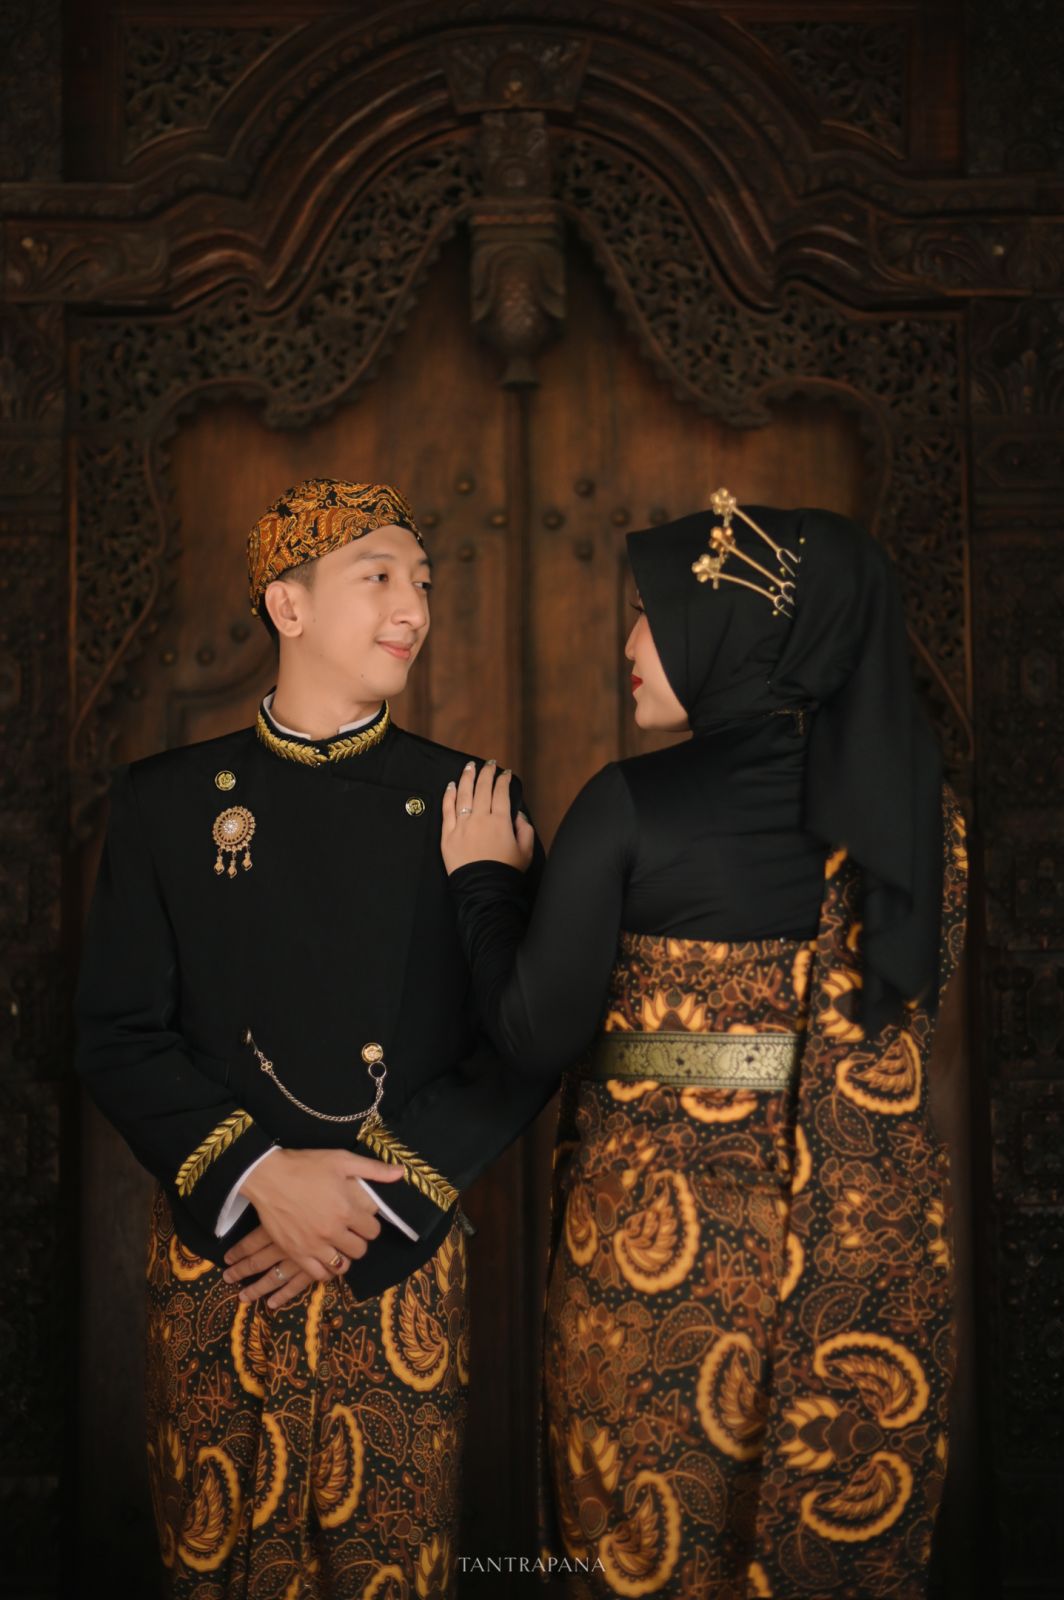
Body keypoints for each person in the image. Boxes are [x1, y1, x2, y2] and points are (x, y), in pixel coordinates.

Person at [440, 489, 968, 1598]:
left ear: (730, 630)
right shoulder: (921, 822)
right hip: (853, 1265)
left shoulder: (634, 804)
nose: (630, 645)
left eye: (651, 614)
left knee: (644, 1555)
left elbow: (533, 1033)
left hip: (653, 1266)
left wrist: (485, 882)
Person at [74, 478, 553, 1598]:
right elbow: (116, 1033)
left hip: (396, 1258)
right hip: (224, 1260)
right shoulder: (163, 802)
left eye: (421, 582)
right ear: (286, 605)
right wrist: (260, 1176)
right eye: (377, 577)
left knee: (391, 1567)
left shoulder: (470, 801)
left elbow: (519, 1043)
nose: (412, 607)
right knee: (216, 1563)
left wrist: (359, 1207)